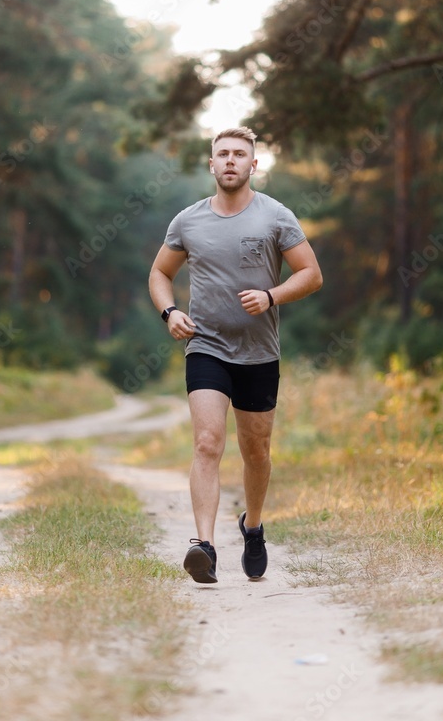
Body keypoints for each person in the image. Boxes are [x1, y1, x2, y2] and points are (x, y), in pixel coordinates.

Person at [148, 126, 323, 584]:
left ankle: (253, 525)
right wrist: (169, 313)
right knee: (207, 442)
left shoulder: (276, 216)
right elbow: (159, 275)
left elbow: (311, 274)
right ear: (211, 164)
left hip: (259, 351)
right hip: (205, 346)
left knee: (256, 450)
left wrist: (271, 296)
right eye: (222, 154)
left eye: (238, 154)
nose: (230, 161)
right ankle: (203, 547)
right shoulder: (188, 221)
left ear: (253, 165)